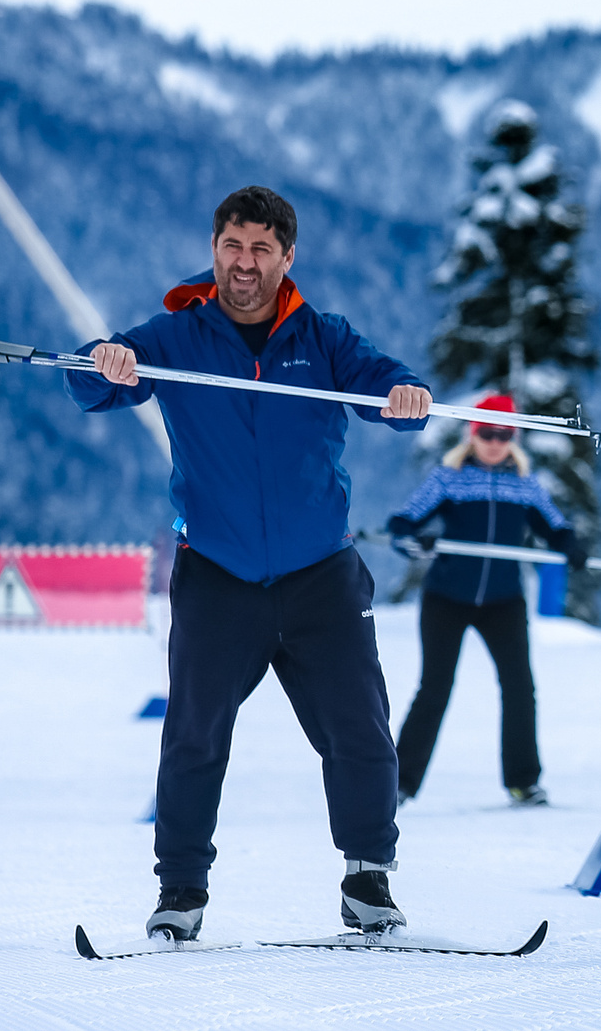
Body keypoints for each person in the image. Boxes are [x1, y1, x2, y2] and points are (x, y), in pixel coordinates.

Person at [70, 185, 435, 942]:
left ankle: (367, 880)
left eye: (261, 249)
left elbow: (385, 385)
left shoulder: (323, 338)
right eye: (233, 246)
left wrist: (405, 394)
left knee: (360, 728)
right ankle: (180, 891)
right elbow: (89, 384)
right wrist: (104, 362)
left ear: (287, 258)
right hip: (217, 576)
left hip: (321, 575)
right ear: (214, 248)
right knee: (194, 735)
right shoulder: (179, 336)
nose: (244, 262)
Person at [386, 394, 583, 809]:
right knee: (435, 687)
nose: (495, 443)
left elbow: (556, 528)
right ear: (472, 435)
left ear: (514, 440)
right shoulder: (449, 480)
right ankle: (398, 783)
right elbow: (403, 524)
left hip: (503, 601)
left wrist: (571, 546)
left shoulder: (526, 487)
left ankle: (523, 782)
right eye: (487, 434)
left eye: (504, 435)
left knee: (519, 687)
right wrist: (416, 540)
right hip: (446, 598)